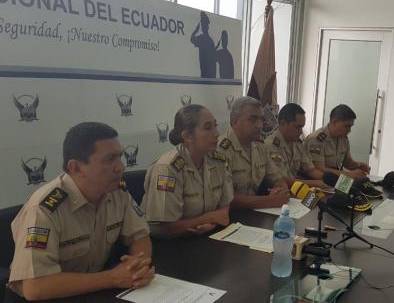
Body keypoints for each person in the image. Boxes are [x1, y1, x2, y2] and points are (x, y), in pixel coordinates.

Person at [7, 122, 154, 301]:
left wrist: (138, 267)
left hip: (94, 290)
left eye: (120, 157)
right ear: (75, 167)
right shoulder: (44, 209)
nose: (121, 167)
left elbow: (139, 235)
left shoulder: (116, 191)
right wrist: (112, 278)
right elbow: (35, 288)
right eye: (109, 159)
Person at [140, 105, 233, 238]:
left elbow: (224, 209)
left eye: (215, 125)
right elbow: (166, 228)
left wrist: (212, 223)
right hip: (168, 245)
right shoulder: (168, 168)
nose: (216, 133)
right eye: (208, 127)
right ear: (188, 136)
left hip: (206, 236)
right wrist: (209, 218)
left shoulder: (219, 160)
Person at [218, 96, 289, 209]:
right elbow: (226, 199)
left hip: (256, 212)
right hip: (231, 216)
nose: (259, 125)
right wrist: (269, 201)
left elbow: (277, 178)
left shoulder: (261, 146)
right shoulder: (221, 150)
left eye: (261, 119)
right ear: (234, 121)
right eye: (253, 119)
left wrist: (281, 190)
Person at [264, 103, 327, 188]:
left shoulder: (297, 143)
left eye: (302, 127)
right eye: (297, 127)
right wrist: (316, 183)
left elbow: (311, 170)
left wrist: (328, 180)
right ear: (283, 123)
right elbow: (282, 179)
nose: (301, 132)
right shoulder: (270, 145)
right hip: (279, 191)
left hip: (296, 189)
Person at [304, 104, 370, 180]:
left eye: (351, 126)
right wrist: (349, 174)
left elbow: (348, 163)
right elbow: (319, 169)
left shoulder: (343, 139)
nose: (349, 130)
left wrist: (360, 165)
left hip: (335, 180)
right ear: (335, 123)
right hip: (318, 182)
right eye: (347, 126)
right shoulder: (316, 139)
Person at [191, 11, 216, 78]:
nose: (202, 27)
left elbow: (192, 39)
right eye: (202, 25)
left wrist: (196, 30)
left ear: (207, 27)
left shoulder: (202, 39)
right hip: (210, 75)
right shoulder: (210, 41)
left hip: (205, 74)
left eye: (203, 25)